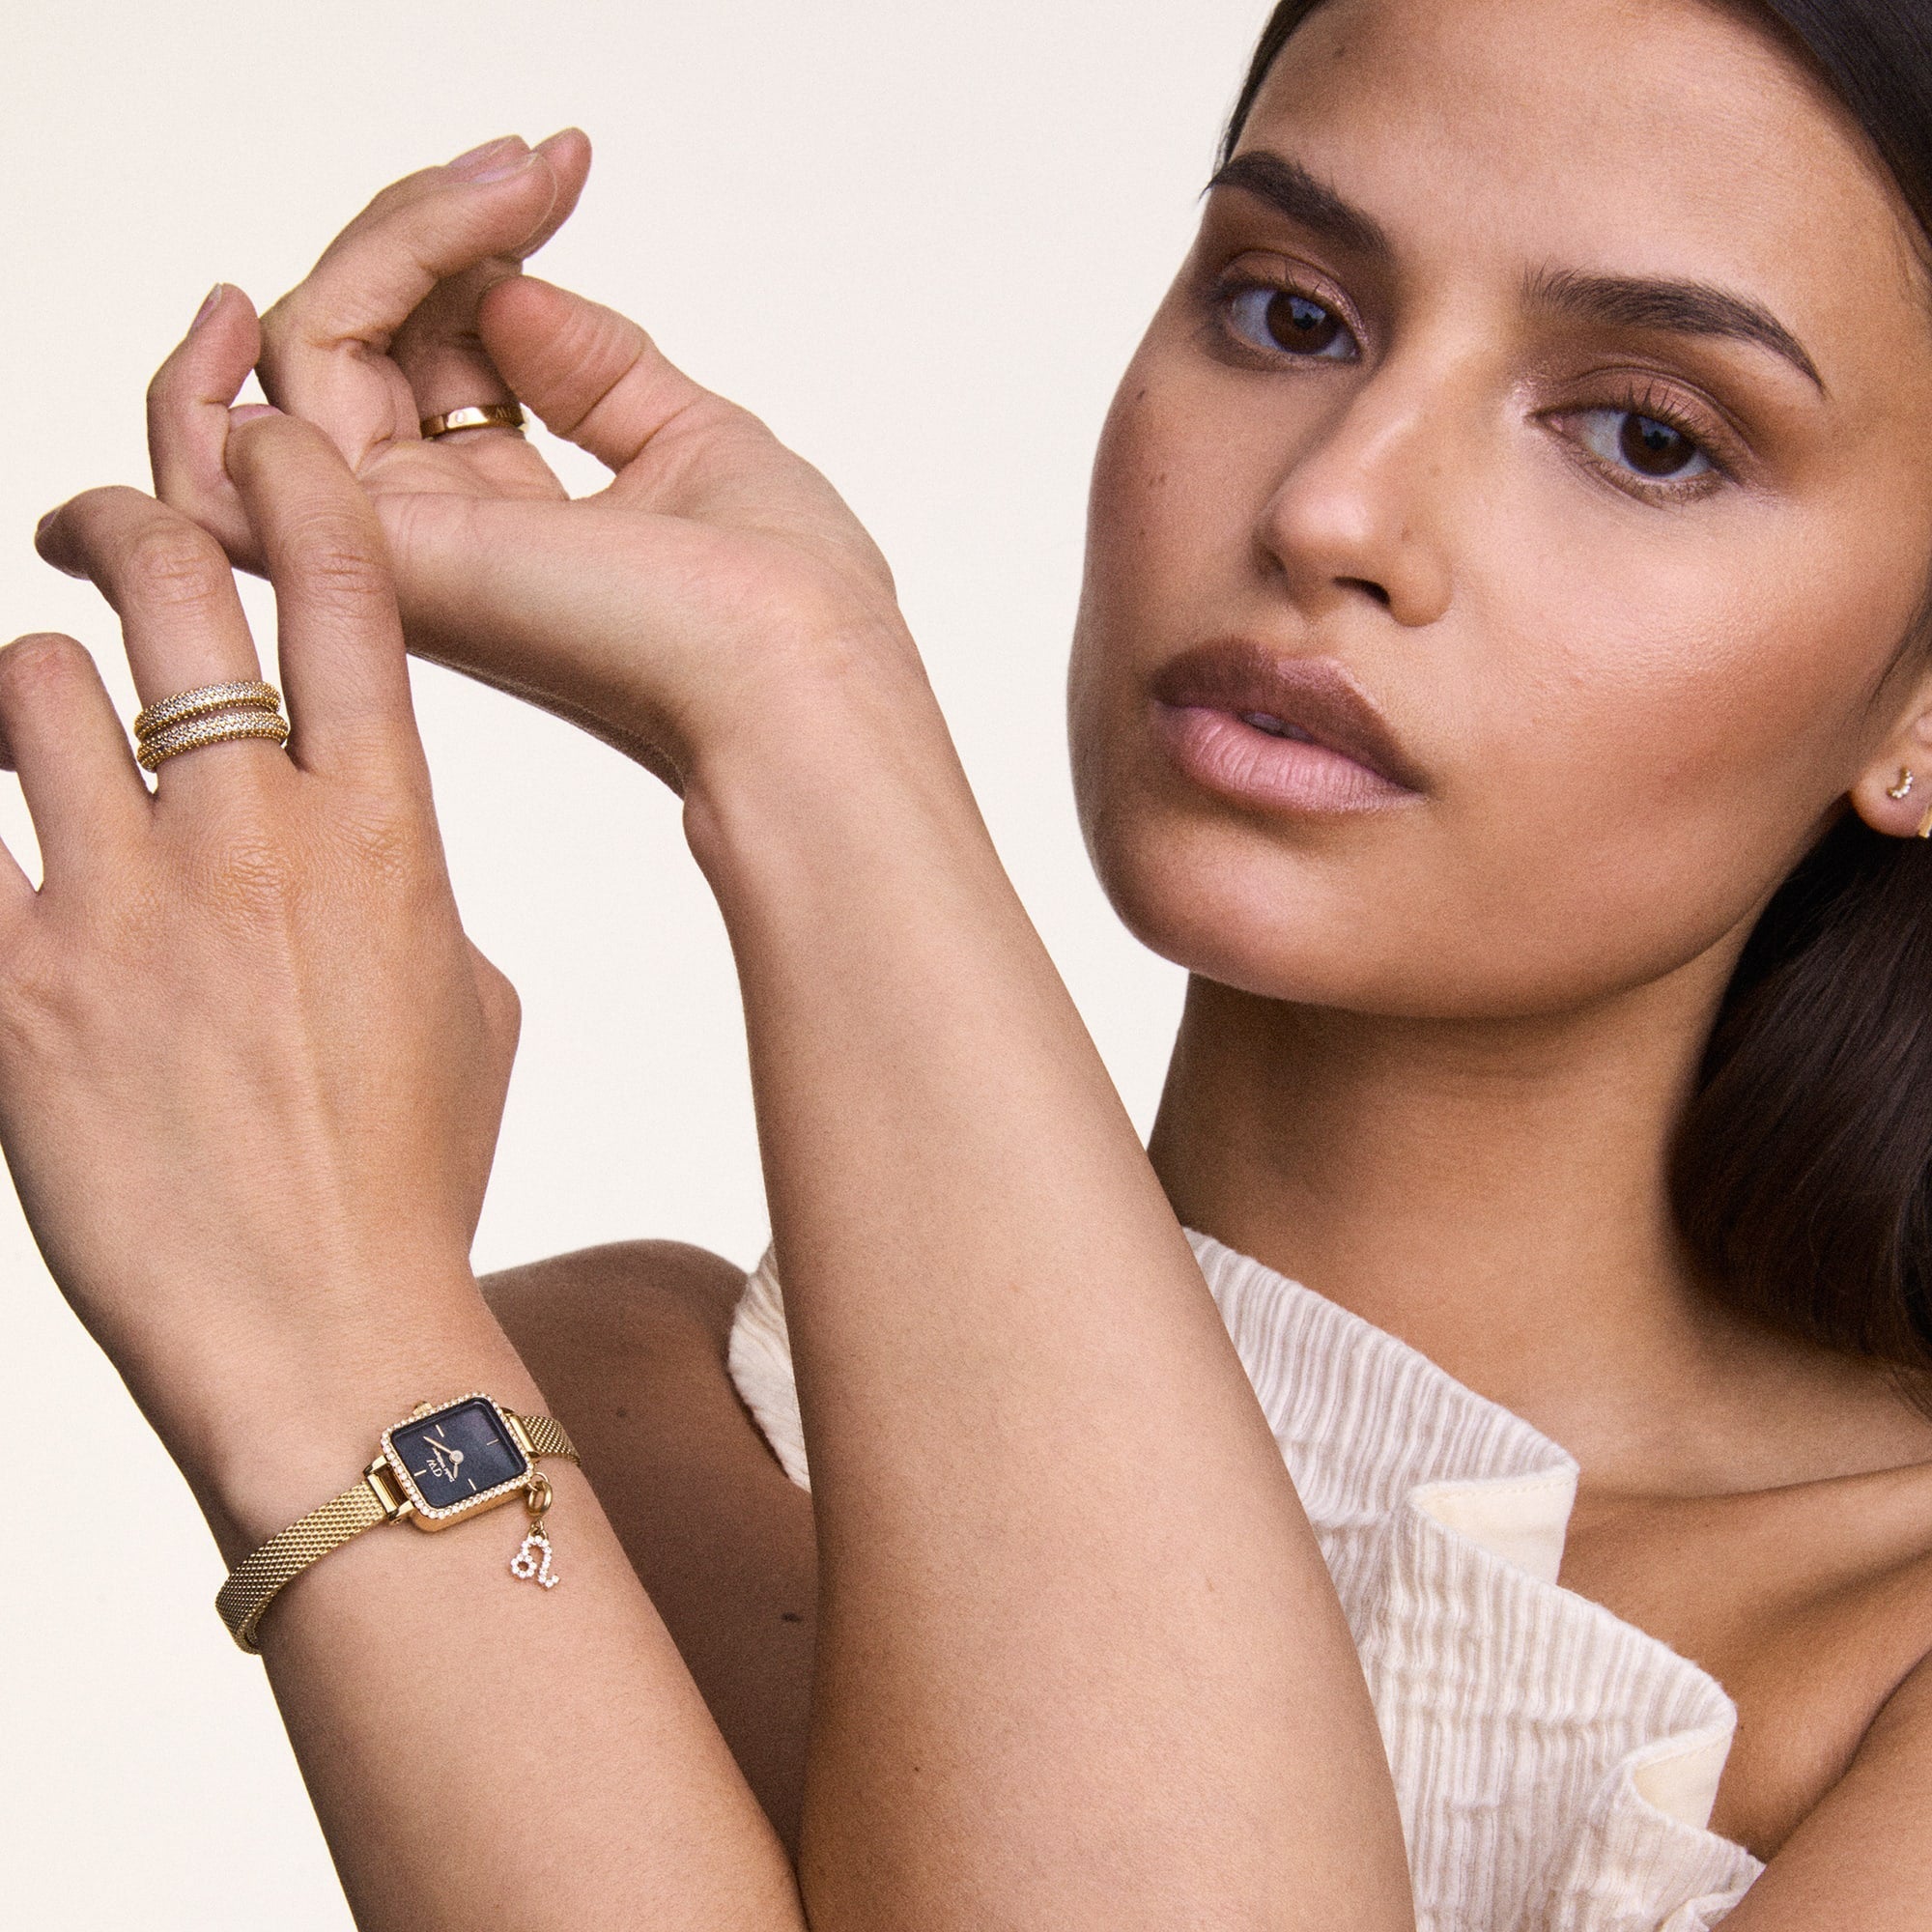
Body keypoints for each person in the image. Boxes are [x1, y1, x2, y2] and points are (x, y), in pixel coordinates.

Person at [15, 0, 1932, 1924]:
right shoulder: (603, 1422)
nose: (1335, 507)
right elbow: (488, 1535)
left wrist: (814, 740)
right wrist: (348, 1348)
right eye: (1288, 315)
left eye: (1646, 437)